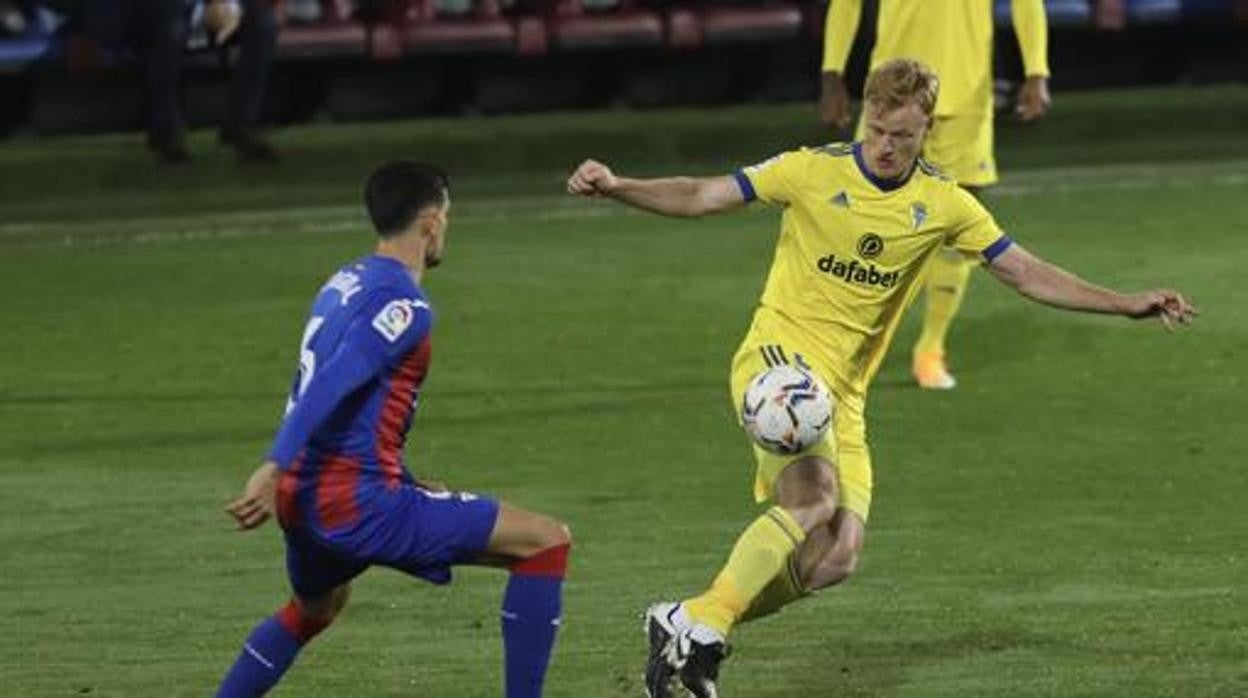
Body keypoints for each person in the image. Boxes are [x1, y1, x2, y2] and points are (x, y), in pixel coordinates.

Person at [566, 58, 1195, 698]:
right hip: (778, 362)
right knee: (810, 499)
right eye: (878, 129)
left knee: (834, 556)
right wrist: (619, 185)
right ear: (867, 113)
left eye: (904, 136)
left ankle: (689, 617)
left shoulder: (944, 203)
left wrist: (1123, 302)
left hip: (844, 394)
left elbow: (1025, 272)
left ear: (928, 130)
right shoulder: (811, 170)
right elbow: (702, 194)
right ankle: (703, 638)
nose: (887, 147)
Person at [216, 161, 572, 698]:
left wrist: (396, 475)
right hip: (352, 503)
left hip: (304, 498)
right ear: (430, 223)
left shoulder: (343, 281)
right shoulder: (405, 306)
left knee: (316, 608)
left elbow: (343, 397)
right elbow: (334, 382)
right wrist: (272, 463)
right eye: (447, 218)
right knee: (545, 543)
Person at [820, 0, 1052, 389]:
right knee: (861, 226)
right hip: (890, 93)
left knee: (957, 233)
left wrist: (1037, 70)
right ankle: (847, 345)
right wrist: (832, 73)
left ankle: (930, 349)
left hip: (965, 94)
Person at [74, 0, 278, 163]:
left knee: (262, 24)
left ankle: (242, 125)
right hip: (148, 12)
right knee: (172, 28)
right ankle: (166, 132)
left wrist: (227, 5)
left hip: (202, 12)